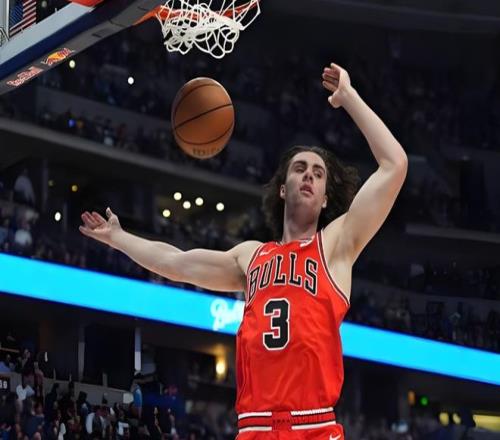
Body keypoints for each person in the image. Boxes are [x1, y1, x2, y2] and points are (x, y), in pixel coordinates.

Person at [79, 62, 408, 439]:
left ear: (324, 199)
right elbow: (176, 262)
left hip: (312, 426)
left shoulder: (336, 245)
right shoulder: (251, 256)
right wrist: (118, 237)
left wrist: (348, 97)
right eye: (300, 168)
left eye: (318, 174)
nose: (309, 175)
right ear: (282, 189)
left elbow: (394, 165)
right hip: (253, 428)